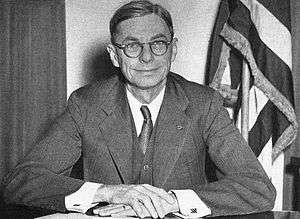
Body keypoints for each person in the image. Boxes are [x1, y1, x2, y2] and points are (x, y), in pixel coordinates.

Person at [2, 0, 276, 218]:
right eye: (132, 46)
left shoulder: (204, 104)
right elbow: (21, 181)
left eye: (158, 44)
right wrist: (109, 193)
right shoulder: (85, 105)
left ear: (173, 49)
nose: (147, 57)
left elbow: (258, 187)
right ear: (114, 55)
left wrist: (171, 202)